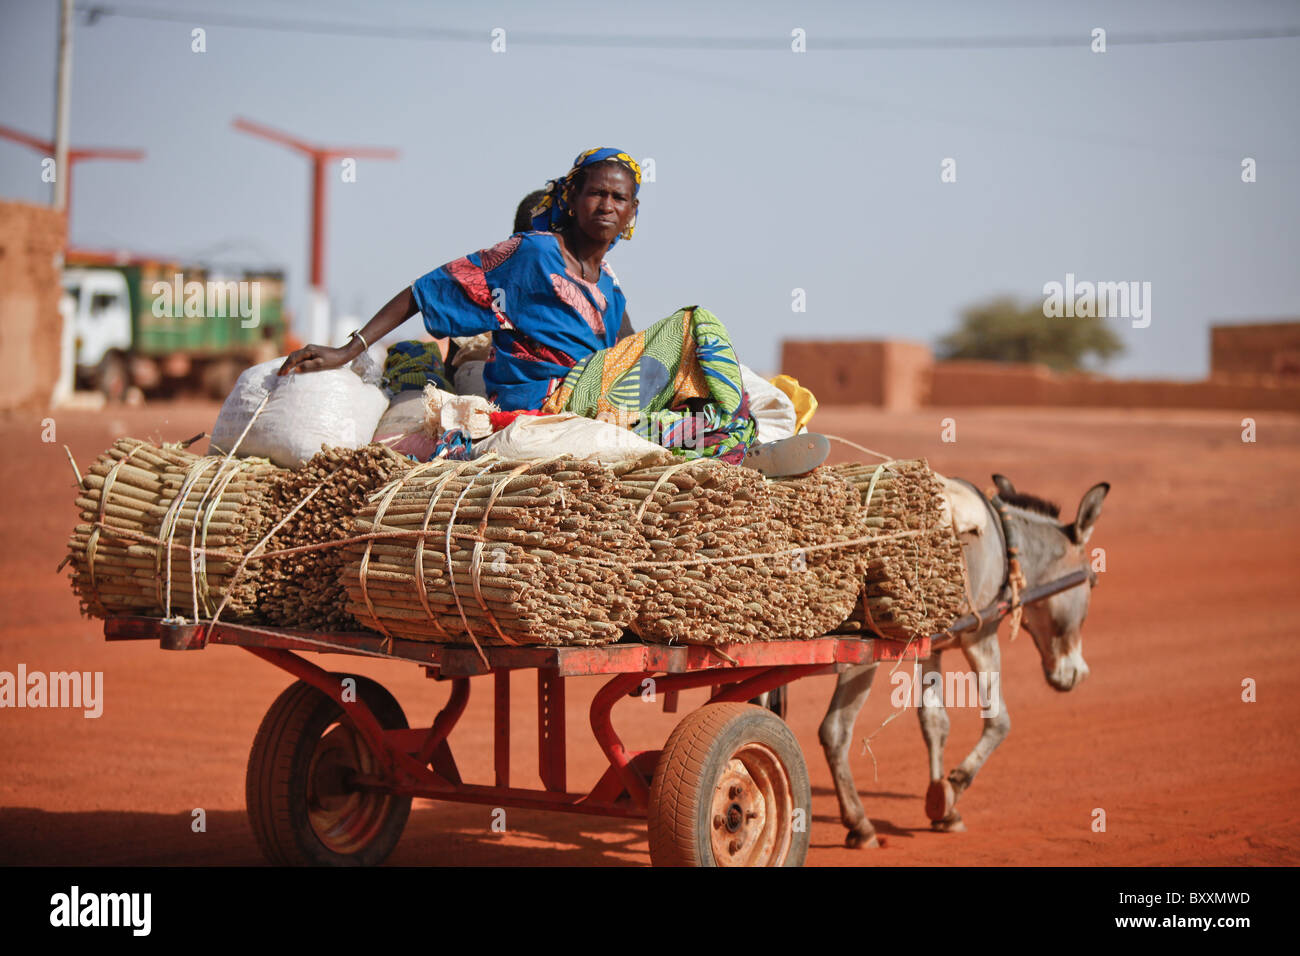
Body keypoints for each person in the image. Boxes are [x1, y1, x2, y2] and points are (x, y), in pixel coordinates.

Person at [278, 146, 827, 473]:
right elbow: (428, 289)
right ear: (571, 197)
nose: (606, 206)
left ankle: (720, 440)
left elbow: (625, 353)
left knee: (679, 398)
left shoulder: (608, 283)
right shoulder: (535, 254)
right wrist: (349, 348)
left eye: (619, 199)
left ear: (633, 213)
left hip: (596, 390)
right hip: (549, 394)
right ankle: (741, 445)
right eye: (596, 193)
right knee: (697, 323)